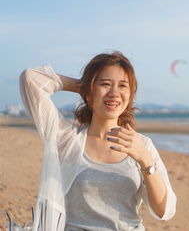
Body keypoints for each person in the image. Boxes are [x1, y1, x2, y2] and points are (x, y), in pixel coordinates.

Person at [19, 51, 176, 231]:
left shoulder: (142, 145)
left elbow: (164, 210)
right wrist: (85, 86)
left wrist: (145, 160)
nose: (114, 93)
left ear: (130, 94)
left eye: (123, 85)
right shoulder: (67, 139)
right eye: (105, 84)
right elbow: (30, 79)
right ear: (89, 92)